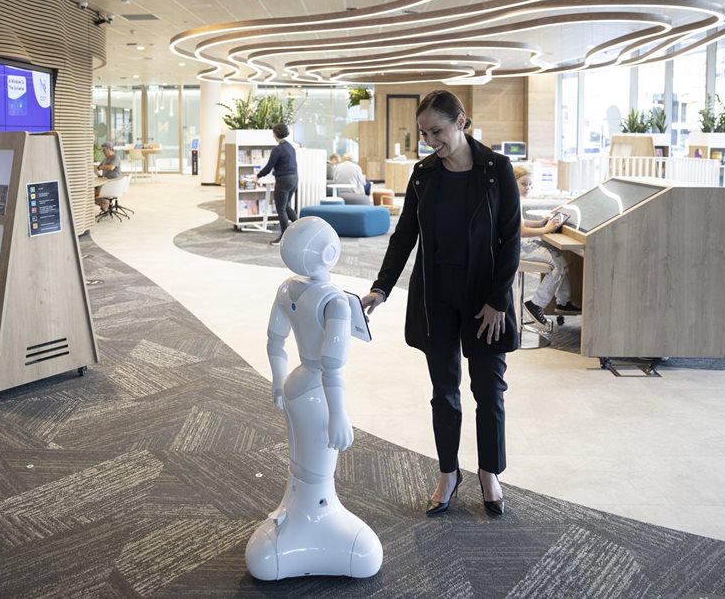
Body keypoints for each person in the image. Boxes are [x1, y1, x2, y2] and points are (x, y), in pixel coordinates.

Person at [361, 90, 520, 517]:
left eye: (438, 131)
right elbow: (404, 236)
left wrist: (497, 300)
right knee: (444, 392)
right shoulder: (423, 175)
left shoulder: (497, 169)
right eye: (425, 133)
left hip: (486, 301)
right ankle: (448, 472)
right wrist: (382, 287)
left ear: (462, 121)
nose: (431, 140)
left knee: (489, 391)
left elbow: (510, 239)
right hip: (437, 299)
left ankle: (490, 472)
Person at [245, 217, 382, 580]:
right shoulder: (335, 301)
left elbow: (275, 341)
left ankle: (305, 512)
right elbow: (333, 366)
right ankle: (313, 515)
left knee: (302, 462)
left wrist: (277, 382)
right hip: (319, 392)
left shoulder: (287, 288)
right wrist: (338, 414)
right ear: (330, 252)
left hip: (294, 385)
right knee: (316, 467)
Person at [514, 165, 581, 326]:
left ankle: (563, 302)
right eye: (524, 184)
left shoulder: (513, 198)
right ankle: (535, 304)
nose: (528, 188)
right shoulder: (510, 199)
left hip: (517, 244)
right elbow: (521, 231)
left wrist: (540, 223)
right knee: (558, 263)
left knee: (559, 257)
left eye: (530, 184)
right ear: (512, 181)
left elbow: (520, 223)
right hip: (515, 248)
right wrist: (545, 229)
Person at [255, 123, 298, 245]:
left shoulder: (277, 149)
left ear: (275, 134)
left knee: (281, 209)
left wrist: (257, 176)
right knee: (287, 206)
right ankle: (299, 230)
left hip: (283, 181)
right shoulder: (290, 147)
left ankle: (284, 238)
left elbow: (269, 167)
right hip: (294, 179)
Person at [94, 142, 121, 213]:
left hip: (112, 183)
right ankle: (105, 203)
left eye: (104, 150)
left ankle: (105, 203)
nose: (103, 152)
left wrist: (99, 168)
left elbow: (111, 167)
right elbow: (98, 168)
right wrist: (95, 169)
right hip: (105, 181)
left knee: (92, 193)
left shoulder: (115, 157)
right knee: (90, 191)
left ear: (109, 149)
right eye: (102, 150)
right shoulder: (105, 159)